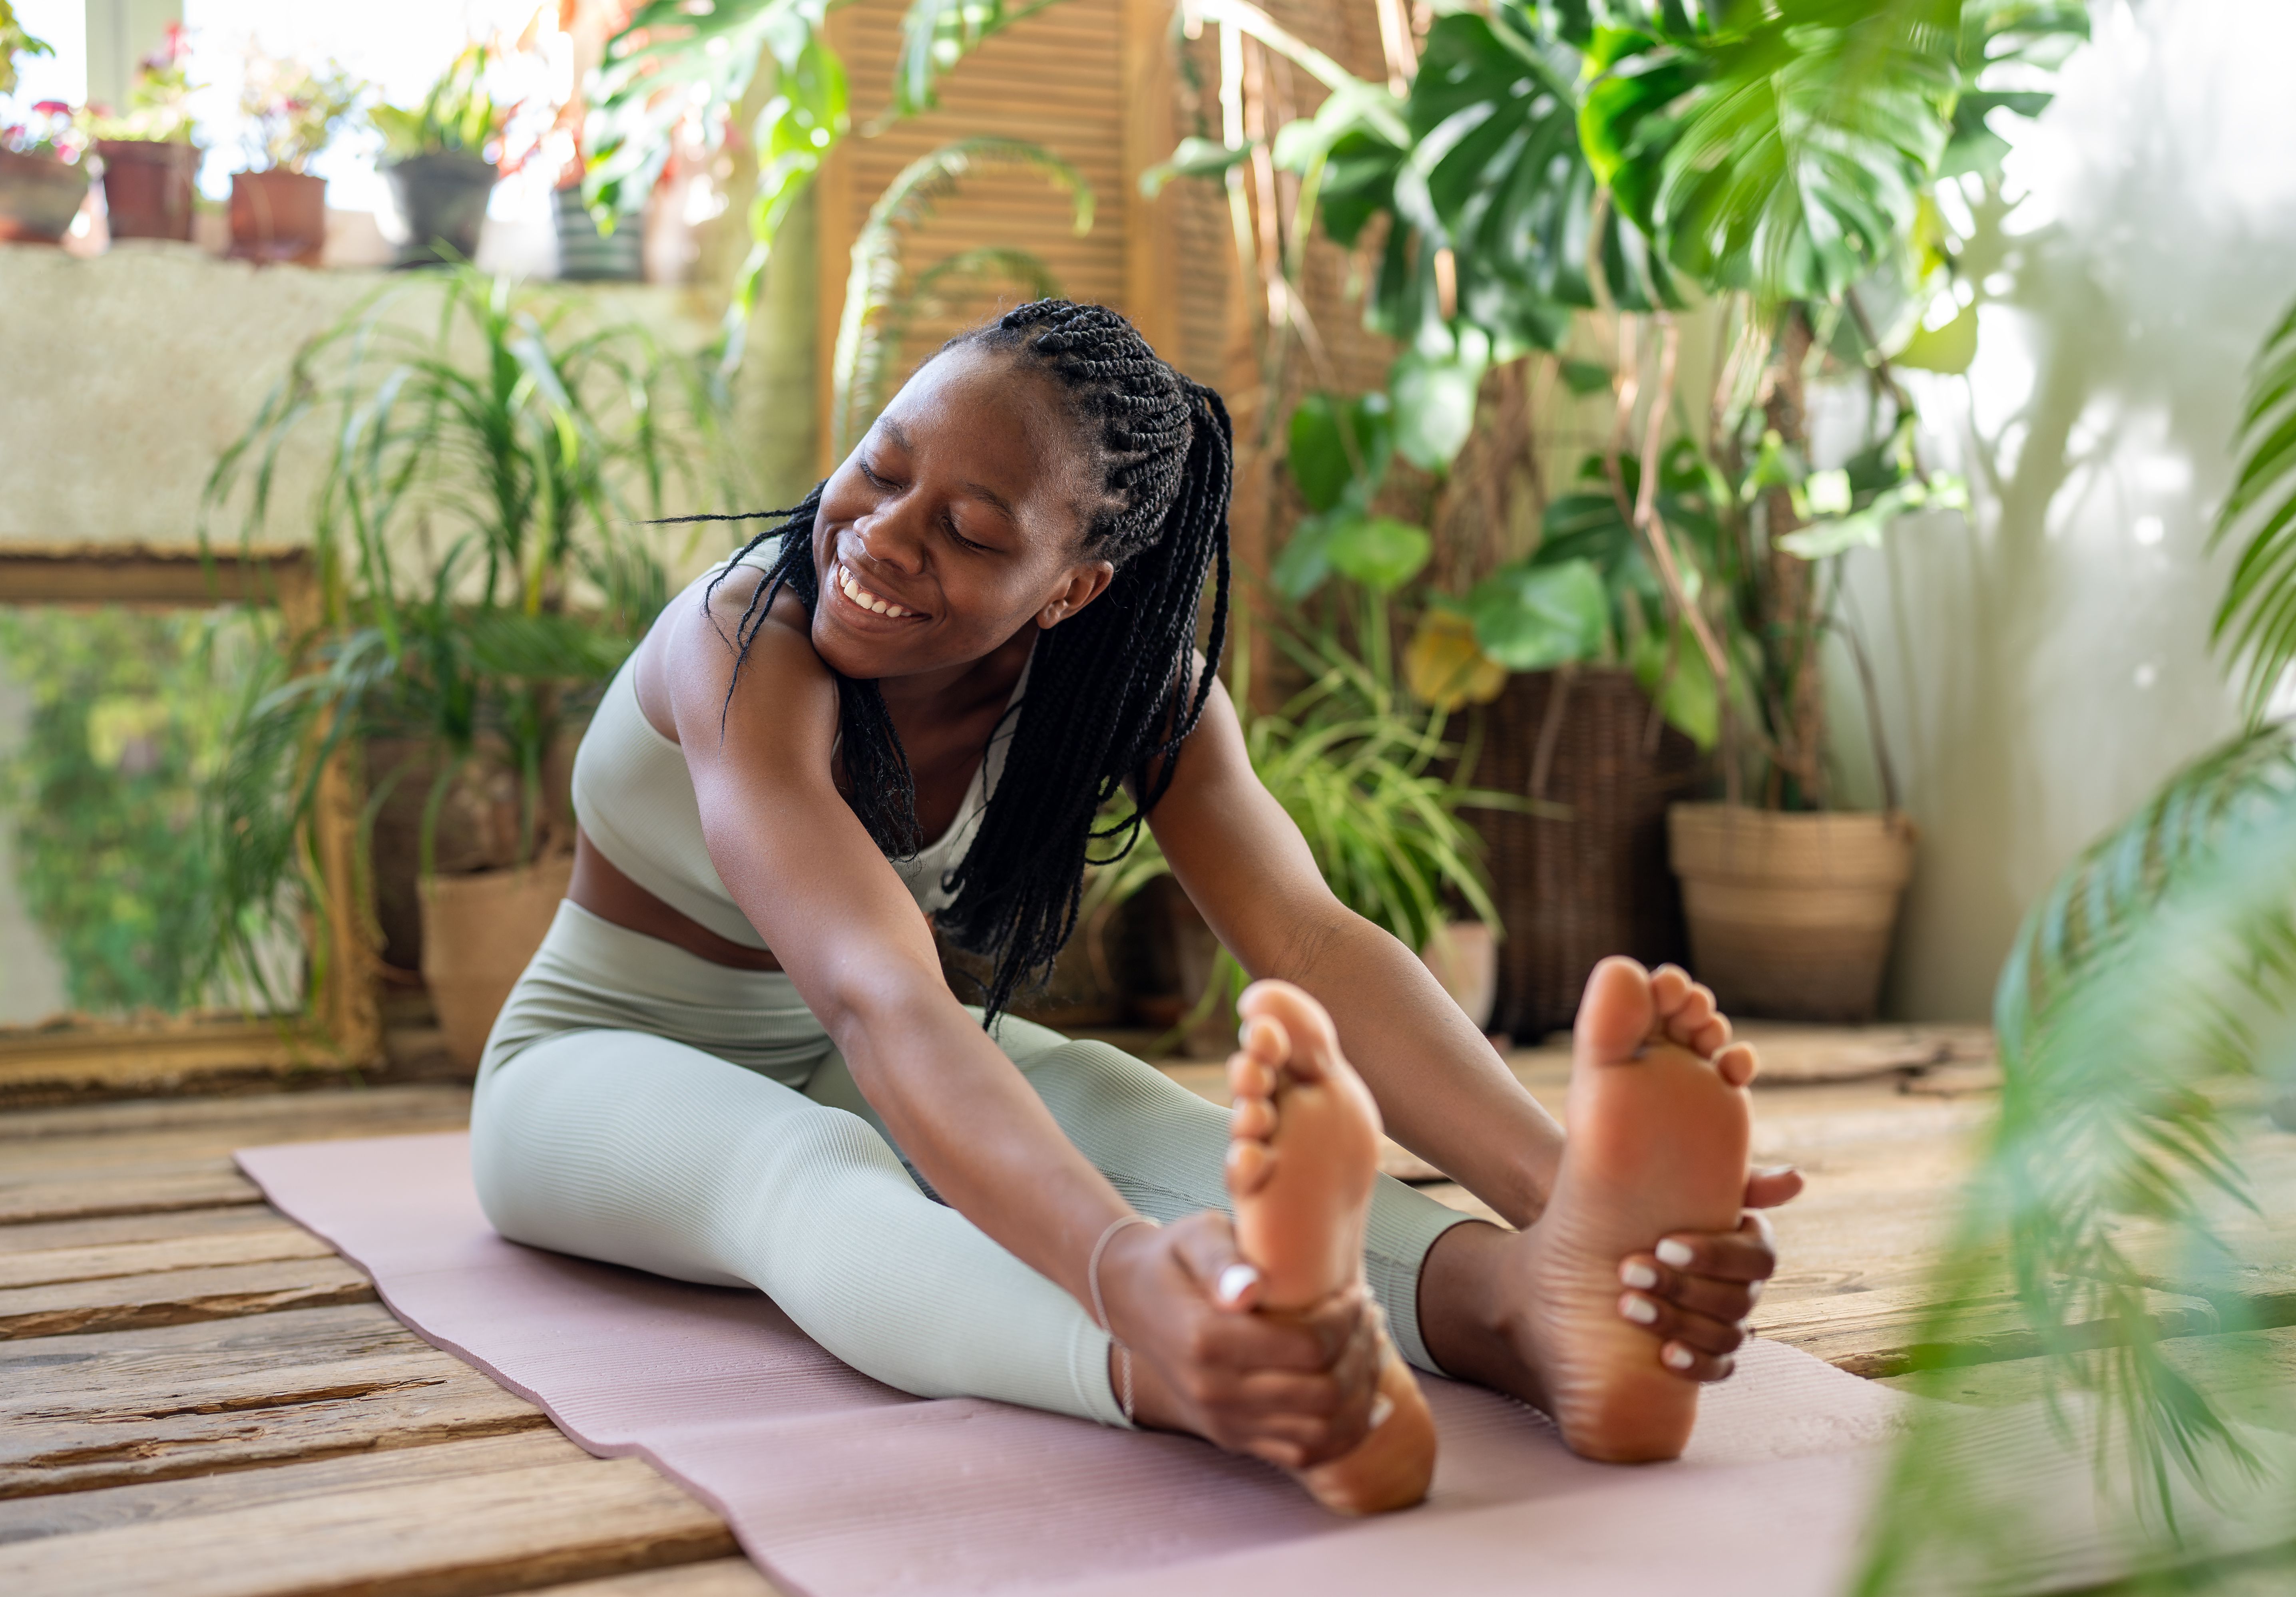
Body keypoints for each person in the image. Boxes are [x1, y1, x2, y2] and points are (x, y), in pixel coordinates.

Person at [468, 298, 1796, 1514]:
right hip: (596, 1065)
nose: (881, 533)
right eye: (879, 468)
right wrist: (1115, 1269)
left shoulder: (1131, 694)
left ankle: (1530, 1306)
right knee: (809, 1173)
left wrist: (1565, 1196)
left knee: (1131, 1112)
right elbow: (879, 995)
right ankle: (1207, 1378)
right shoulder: (743, 641)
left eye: (971, 530)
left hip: (854, 1049)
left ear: (1071, 588)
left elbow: (1308, 939)